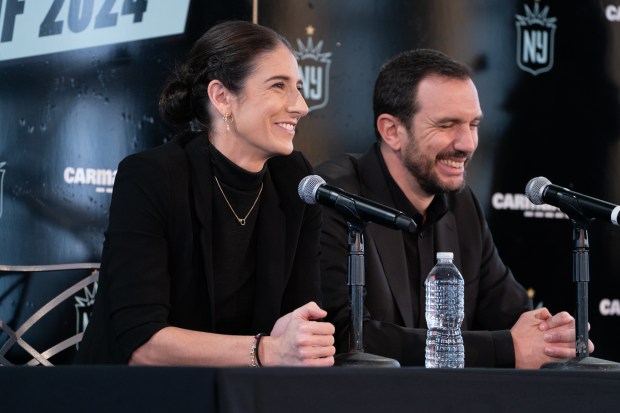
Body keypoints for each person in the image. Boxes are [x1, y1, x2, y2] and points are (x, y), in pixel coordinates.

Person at [74, 21, 335, 366]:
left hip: (242, 395)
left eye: (298, 88)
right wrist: (266, 350)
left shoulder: (295, 179)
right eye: (278, 86)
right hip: (131, 395)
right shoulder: (152, 176)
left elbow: (301, 318)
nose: (301, 105)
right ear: (222, 97)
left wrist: (298, 334)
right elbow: (142, 344)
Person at [316, 48, 594, 368]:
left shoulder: (462, 205)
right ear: (392, 131)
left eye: (473, 124)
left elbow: (512, 312)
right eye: (447, 124)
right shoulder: (335, 198)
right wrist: (504, 349)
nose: (467, 143)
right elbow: (348, 338)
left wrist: (549, 337)